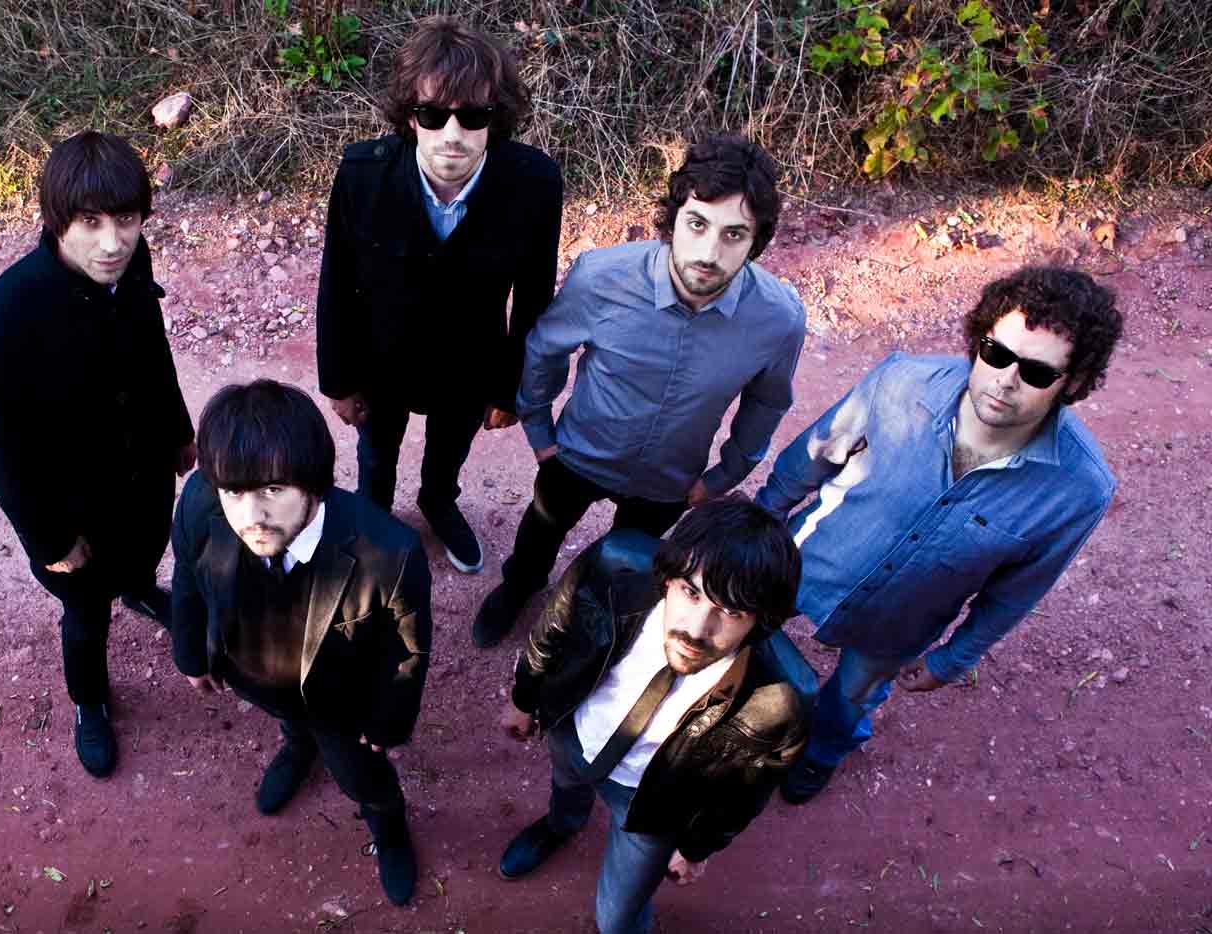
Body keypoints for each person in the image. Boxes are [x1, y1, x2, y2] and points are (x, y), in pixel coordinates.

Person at [756, 265, 1123, 804]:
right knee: (746, 634)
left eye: (1036, 372)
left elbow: (1015, 593)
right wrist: (760, 524)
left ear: (1073, 382)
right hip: (805, 563)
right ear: (979, 339)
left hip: (900, 625)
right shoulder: (901, 382)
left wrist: (953, 659)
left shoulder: (1079, 489)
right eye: (995, 353)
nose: (1005, 380)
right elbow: (816, 451)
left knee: (852, 697)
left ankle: (821, 754)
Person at [471, 133, 806, 648]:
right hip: (578, 453)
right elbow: (544, 347)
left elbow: (768, 401)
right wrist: (539, 430)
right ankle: (519, 587)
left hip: (669, 478)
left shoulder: (778, 320)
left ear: (756, 240)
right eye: (697, 224)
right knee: (542, 528)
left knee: (628, 565)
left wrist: (723, 476)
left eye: (734, 234)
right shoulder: (602, 277)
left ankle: (593, 626)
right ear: (674, 216)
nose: (709, 253)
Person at [0, 130, 195, 779]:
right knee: (86, 615)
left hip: (141, 477)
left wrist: (177, 429)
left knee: (143, 553)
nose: (113, 242)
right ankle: (90, 701)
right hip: (74, 512)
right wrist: (50, 540)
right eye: (91, 223)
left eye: (127, 219)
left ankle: (141, 591)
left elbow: (153, 350)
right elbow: (2, 456)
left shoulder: (130, 262)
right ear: (56, 220)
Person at [495, 495, 811, 934]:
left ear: (760, 622)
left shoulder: (779, 701)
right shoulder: (614, 571)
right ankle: (561, 826)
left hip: (653, 803)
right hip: (576, 733)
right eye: (691, 593)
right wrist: (524, 698)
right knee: (566, 788)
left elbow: (745, 793)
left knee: (616, 921)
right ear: (668, 579)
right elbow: (555, 626)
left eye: (731, 612)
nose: (696, 630)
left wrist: (697, 848)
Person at [316, 16, 563, 575]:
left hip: (470, 363)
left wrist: (511, 390)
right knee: (375, 458)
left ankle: (437, 502)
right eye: (433, 114)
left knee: (448, 455)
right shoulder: (362, 175)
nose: (452, 133)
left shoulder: (533, 185)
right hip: (382, 362)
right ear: (411, 116)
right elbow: (337, 283)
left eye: (473, 115)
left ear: (496, 118)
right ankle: (373, 519)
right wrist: (340, 381)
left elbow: (533, 298)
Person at [170, 380, 432, 906]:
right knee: (288, 717)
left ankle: (388, 827)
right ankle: (297, 745)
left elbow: (408, 654)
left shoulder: (391, 552)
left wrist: (388, 724)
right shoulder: (202, 500)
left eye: (273, 490)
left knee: (365, 780)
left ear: (314, 483)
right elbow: (188, 577)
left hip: (342, 709)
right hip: (254, 674)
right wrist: (191, 655)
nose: (251, 516)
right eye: (235, 493)